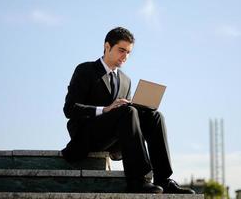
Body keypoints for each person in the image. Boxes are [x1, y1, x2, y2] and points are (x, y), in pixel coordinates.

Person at [61, 27, 195, 194]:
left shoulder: (125, 80)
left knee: (154, 116)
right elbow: (70, 109)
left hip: (115, 137)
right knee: (128, 112)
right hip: (87, 135)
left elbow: (128, 117)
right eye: (121, 50)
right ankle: (138, 180)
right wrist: (105, 109)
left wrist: (140, 109)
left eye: (129, 52)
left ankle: (163, 180)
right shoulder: (85, 70)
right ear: (107, 46)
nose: (125, 56)